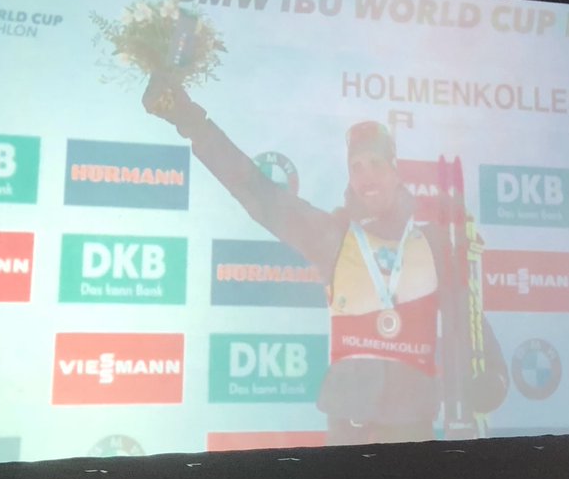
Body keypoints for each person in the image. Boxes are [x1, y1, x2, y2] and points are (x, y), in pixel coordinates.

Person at [142, 76, 507, 444]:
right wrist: (192, 122)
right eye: (356, 167)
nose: (366, 176)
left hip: (412, 427)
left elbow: (470, 320)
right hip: (350, 429)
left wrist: (493, 376)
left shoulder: (431, 244)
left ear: (396, 172)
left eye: (376, 164)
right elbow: (257, 191)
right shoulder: (334, 238)